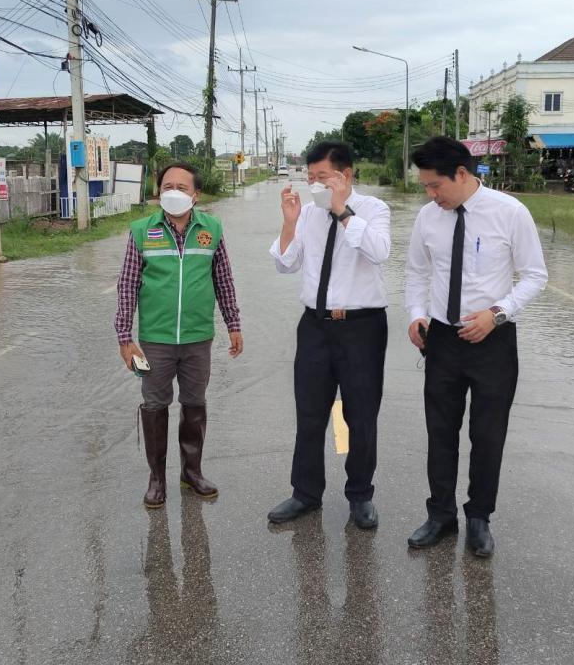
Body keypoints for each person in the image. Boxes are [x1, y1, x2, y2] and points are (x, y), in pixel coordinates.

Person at [404, 136, 547, 556]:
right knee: (440, 432)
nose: (431, 195)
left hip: (492, 340)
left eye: (435, 186)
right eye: (425, 187)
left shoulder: (509, 212)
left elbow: (535, 275)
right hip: (442, 340)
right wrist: (416, 314)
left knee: (487, 434)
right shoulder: (427, 218)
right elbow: (416, 272)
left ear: (462, 174)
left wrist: (497, 313)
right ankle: (440, 515)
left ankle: (479, 517)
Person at [267, 141, 391, 529]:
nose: (314, 184)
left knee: (361, 415)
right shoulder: (307, 214)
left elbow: (379, 251)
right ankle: (305, 493)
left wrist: (341, 210)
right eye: (310, 177)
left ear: (345, 175)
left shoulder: (373, 209)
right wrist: (290, 223)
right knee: (309, 414)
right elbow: (285, 264)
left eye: (322, 177)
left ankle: (360, 495)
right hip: (315, 326)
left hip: (362, 327)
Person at [115, 162, 243, 508]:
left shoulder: (211, 230)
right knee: (154, 404)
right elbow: (127, 286)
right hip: (153, 341)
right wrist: (125, 338)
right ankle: (156, 478)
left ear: (195, 195)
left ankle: (192, 472)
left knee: (195, 402)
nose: (173, 192)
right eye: (167, 186)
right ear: (158, 193)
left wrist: (233, 324)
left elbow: (223, 280)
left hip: (198, 338)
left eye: (182, 187)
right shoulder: (142, 231)